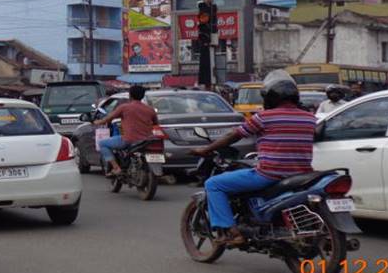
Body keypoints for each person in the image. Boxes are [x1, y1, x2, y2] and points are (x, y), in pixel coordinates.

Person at [190, 71, 316, 246]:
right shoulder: (310, 118)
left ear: (270, 97)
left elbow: (235, 135)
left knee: (214, 184)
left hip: (269, 174)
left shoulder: (264, 117)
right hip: (300, 175)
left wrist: (206, 149)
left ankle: (231, 232)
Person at [93, 85, 159, 177]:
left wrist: (98, 122)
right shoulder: (150, 109)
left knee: (102, 143)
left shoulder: (124, 107)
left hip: (128, 140)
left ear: (130, 95)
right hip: (147, 140)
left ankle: (116, 168)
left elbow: (108, 118)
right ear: (142, 96)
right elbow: (156, 123)